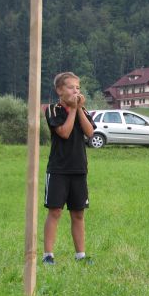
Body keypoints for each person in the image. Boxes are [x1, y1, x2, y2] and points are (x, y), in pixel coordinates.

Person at [42, 72, 97, 265]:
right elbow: (64, 133)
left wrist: (79, 109)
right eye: (71, 87)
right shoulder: (53, 110)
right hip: (58, 169)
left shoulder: (84, 110)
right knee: (55, 211)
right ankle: (48, 255)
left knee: (78, 213)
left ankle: (80, 255)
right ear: (59, 90)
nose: (76, 90)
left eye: (78, 88)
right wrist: (72, 110)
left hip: (79, 169)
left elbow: (90, 132)